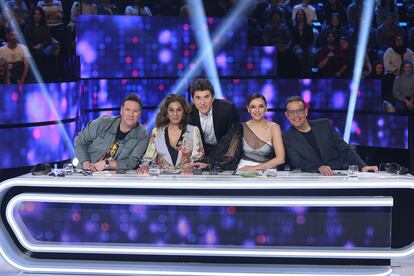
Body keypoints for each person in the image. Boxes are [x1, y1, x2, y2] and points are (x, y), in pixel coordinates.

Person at [282, 96, 378, 176]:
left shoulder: (324, 125)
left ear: (306, 112)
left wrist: (363, 166)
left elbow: (345, 149)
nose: (296, 115)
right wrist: (318, 168)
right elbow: (298, 163)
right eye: (291, 112)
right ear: (287, 115)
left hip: (339, 173)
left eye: (299, 111)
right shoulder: (287, 138)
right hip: (313, 177)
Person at [74, 94, 149, 171]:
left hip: (114, 178)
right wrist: (86, 163)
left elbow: (132, 161)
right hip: (85, 172)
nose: (131, 114)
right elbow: (80, 141)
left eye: (135, 111)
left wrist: (107, 164)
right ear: (121, 111)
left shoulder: (142, 136)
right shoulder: (103, 122)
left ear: (140, 113)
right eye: (127, 110)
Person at [137, 94, 204, 173]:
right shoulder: (156, 131)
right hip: (161, 179)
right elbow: (148, 158)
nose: (175, 114)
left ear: (184, 112)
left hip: (186, 179)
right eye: (171, 110)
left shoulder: (193, 130)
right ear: (167, 113)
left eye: (179, 110)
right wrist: (144, 167)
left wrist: (191, 167)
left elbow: (198, 158)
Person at [189, 78, 242, 170]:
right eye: (198, 98)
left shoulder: (227, 109)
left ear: (213, 97)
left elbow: (234, 139)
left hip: (224, 154)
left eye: (206, 97)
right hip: (200, 155)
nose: (202, 103)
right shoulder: (189, 113)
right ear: (193, 99)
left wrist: (213, 162)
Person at [237, 94, 285, 171]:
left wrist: (254, 168)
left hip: (266, 170)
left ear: (266, 108)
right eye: (253, 107)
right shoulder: (241, 127)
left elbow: (280, 159)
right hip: (243, 169)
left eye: (261, 106)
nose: (257, 110)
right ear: (248, 109)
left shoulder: (274, 127)